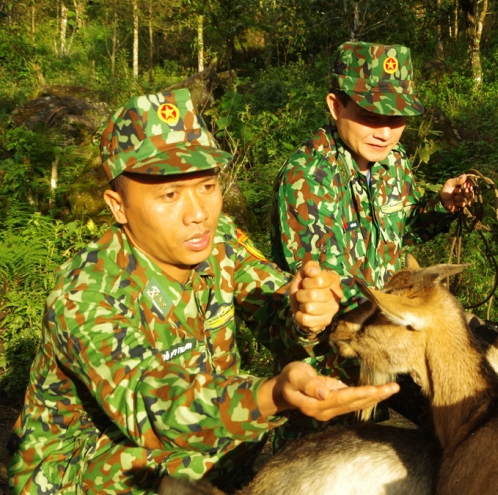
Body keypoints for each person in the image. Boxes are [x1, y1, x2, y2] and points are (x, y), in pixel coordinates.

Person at [6, 89, 399, 495]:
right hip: (74, 467)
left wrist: (305, 310)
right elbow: (154, 407)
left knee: (269, 408)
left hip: (183, 441)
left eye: (208, 186)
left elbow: (271, 302)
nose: (198, 214)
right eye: (170, 195)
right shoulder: (87, 292)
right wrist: (270, 395)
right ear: (117, 205)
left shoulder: (218, 240)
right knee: (223, 433)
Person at [269, 42, 474, 438]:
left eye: (396, 119)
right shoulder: (306, 177)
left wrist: (441, 205)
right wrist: (407, 319)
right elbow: (323, 289)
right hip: (327, 364)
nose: (384, 132)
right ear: (335, 107)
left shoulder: (392, 163)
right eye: (369, 116)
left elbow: (405, 222)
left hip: (385, 340)